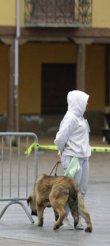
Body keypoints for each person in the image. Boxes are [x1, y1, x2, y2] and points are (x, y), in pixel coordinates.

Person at [54, 89, 91, 230]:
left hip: (84, 157)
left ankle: (76, 217)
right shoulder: (70, 118)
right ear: (78, 102)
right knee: (71, 191)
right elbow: (59, 138)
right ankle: (67, 218)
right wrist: (62, 152)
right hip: (73, 158)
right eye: (85, 102)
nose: (86, 105)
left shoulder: (80, 118)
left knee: (81, 190)